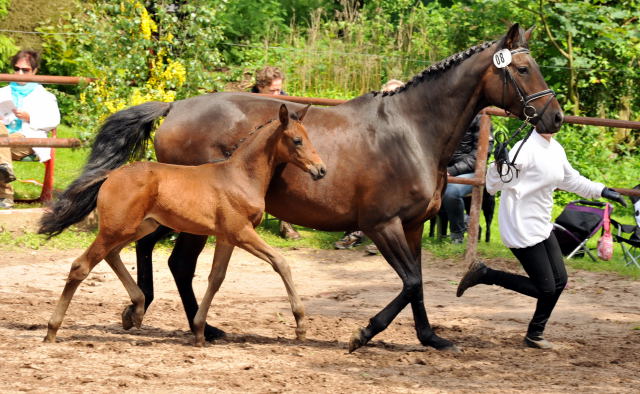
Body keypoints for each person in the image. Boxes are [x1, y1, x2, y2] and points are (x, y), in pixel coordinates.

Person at [456, 128, 627, 349]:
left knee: (560, 282)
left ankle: (534, 334)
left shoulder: (555, 148)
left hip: (542, 224)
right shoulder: (523, 149)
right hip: (520, 224)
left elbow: (570, 179)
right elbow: (495, 185)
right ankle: (485, 274)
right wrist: (499, 166)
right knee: (545, 288)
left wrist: (603, 191)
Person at [334, 79, 405, 253]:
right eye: (387, 95)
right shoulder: (372, 120)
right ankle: (357, 232)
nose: (391, 100)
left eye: (396, 95)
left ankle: (379, 237)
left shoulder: (407, 124)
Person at [0, 49, 60, 208]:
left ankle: (4, 194)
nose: (20, 73)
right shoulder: (2, 92)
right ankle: (4, 176)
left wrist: (29, 117)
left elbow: (54, 120)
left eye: (25, 70)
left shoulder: (45, 96)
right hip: (5, 141)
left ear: (35, 71)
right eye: (16, 69)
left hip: (27, 141)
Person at [251, 66, 299, 239]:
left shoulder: (284, 101)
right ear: (260, 87)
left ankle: (286, 223)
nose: (278, 94)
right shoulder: (248, 101)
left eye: (279, 89)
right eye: (273, 90)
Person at [442, 114, 493, 243]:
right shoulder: (445, 114)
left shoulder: (481, 119)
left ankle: (457, 234)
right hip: (444, 171)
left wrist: (452, 171)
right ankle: (467, 221)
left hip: (473, 172)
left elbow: (480, 155)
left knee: (450, 191)